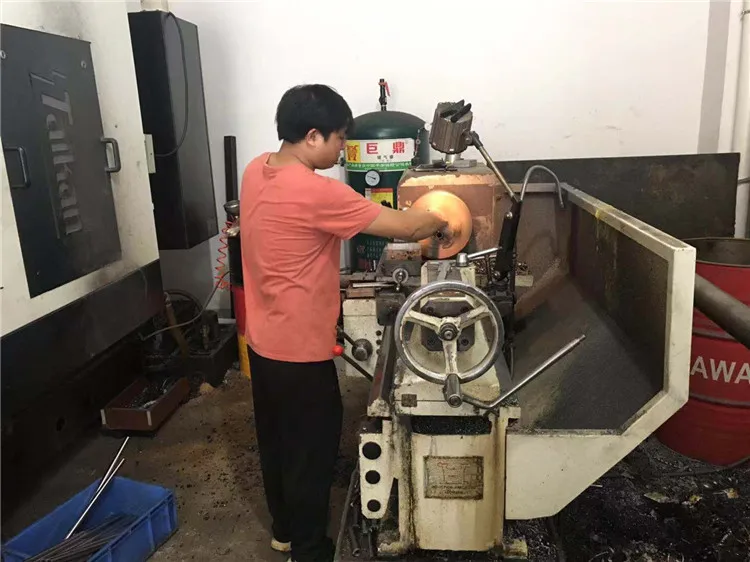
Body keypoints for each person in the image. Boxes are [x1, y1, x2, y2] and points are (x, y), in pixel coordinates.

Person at [240, 84, 446, 562]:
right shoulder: (318, 192)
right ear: (313, 136)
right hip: (301, 353)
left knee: (275, 442)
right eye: (339, 139)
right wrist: (444, 213)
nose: (342, 151)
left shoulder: (255, 169)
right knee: (310, 454)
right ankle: (310, 551)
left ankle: (284, 531)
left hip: (262, 342)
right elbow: (408, 227)